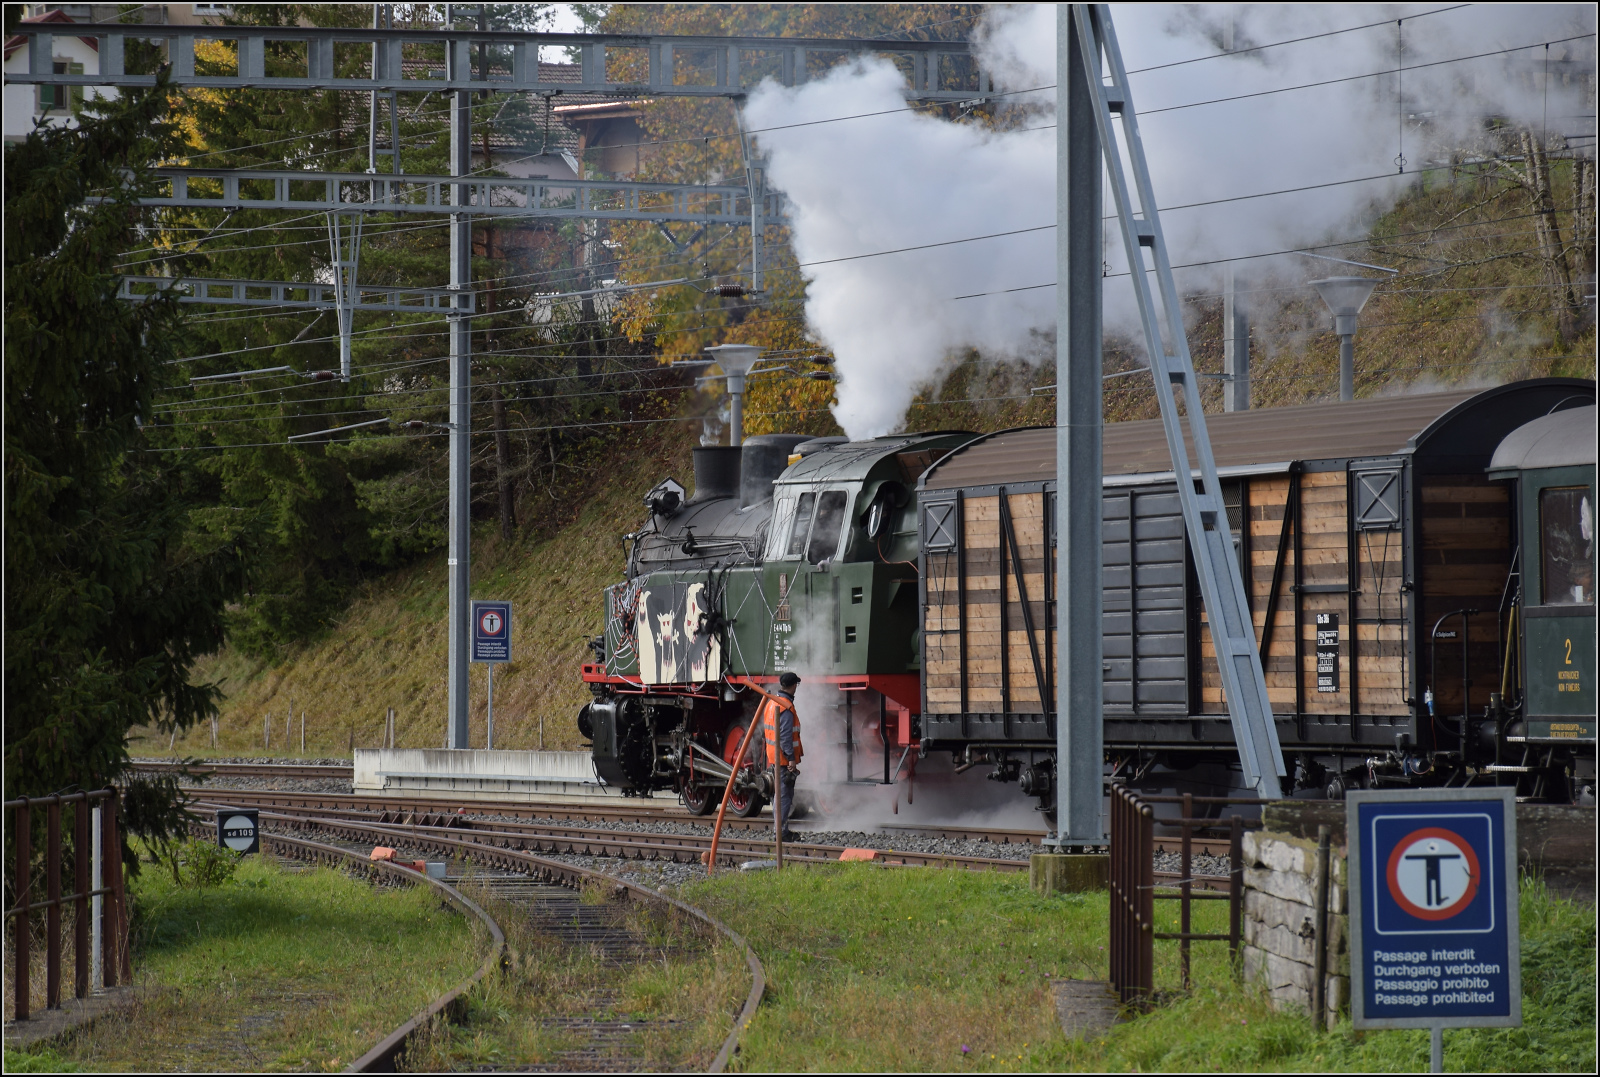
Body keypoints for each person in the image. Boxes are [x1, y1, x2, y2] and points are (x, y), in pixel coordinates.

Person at [759, 671, 804, 840]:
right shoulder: (786, 707)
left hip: (774, 756)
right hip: (783, 759)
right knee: (784, 796)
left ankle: (779, 830)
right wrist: (791, 758)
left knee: (779, 796)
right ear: (793, 686)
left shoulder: (772, 703)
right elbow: (785, 736)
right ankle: (781, 833)